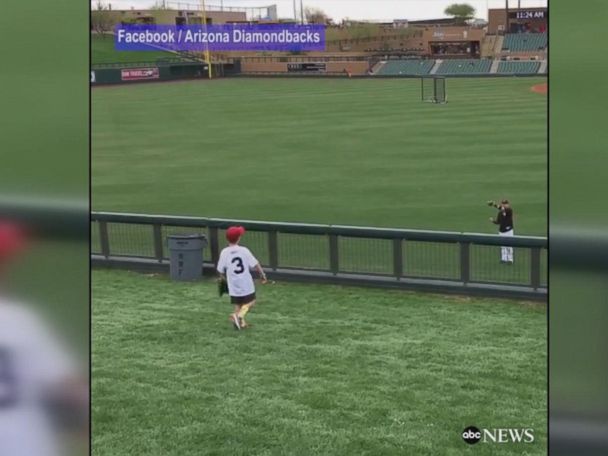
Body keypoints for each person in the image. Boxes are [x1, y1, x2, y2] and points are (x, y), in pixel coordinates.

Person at [216, 226, 267, 330]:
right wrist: (262, 274)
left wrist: (222, 280)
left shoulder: (224, 252)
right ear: (238, 238)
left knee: (238, 303)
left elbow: (220, 270)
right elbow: (255, 263)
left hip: (233, 284)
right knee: (251, 302)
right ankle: (239, 316)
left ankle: (240, 323)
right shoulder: (244, 250)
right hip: (246, 283)